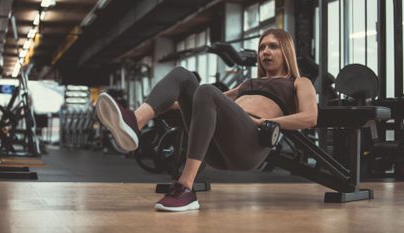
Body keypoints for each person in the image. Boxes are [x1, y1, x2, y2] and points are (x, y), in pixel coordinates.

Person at [96, 28, 318, 212]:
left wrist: (268, 123)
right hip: (219, 147)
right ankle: (134, 122)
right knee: (183, 75)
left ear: (286, 51)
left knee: (207, 90)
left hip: (251, 144)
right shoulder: (248, 83)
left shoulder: (298, 82)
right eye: (262, 47)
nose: (265, 52)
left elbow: (310, 117)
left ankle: (185, 187)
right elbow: (207, 103)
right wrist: (167, 102)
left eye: (273, 46)